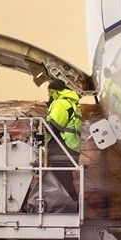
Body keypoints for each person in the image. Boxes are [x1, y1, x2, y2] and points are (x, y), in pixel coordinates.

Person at [44, 79, 83, 208]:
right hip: (70, 148)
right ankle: (73, 204)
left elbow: (54, 125)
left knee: (60, 180)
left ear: (54, 90)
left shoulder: (60, 103)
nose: (48, 95)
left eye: (49, 91)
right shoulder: (71, 102)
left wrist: (40, 132)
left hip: (62, 148)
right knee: (65, 178)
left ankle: (70, 206)